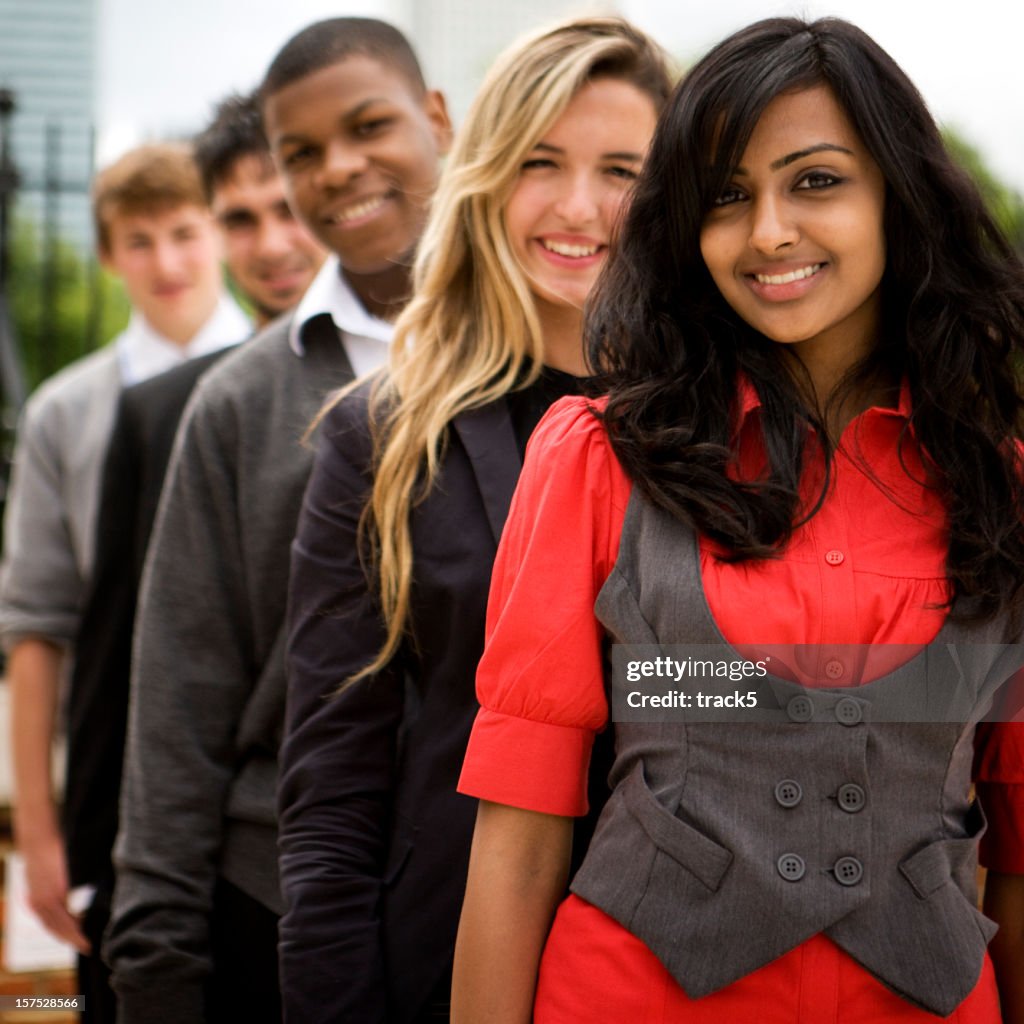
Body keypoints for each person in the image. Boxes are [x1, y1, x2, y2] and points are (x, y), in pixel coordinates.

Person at [453, 16, 1024, 1024]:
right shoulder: (597, 455)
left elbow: (1019, 848)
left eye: (815, 181)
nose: (767, 231)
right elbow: (521, 828)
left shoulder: (1000, 479)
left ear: (898, 196)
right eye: (726, 196)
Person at [279, 17, 671, 1024]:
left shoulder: (730, 431)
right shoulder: (382, 434)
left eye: (621, 168)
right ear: (488, 173)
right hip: (440, 954)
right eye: (540, 160)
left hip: (679, 969)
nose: (578, 206)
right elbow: (332, 783)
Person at [103, 19, 451, 1024]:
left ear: (436, 118)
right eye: (301, 153)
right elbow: (178, 704)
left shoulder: (555, 359)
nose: (338, 169)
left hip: (510, 904)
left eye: (368, 126)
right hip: (272, 901)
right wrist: (155, 966)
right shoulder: (238, 404)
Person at [57, 91, 325, 1020]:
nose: (272, 243)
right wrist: (100, 881)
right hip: (242, 873)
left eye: (288, 208)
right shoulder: (173, 410)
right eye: (240, 218)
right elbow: (135, 672)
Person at [0, 142, 249, 1021]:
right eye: (138, 241)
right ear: (108, 255)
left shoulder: (285, 378)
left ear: (218, 232)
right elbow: (37, 624)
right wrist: (40, 830)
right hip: (116, 782)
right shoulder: (64, 411)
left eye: (185, 232)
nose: (168, 262)